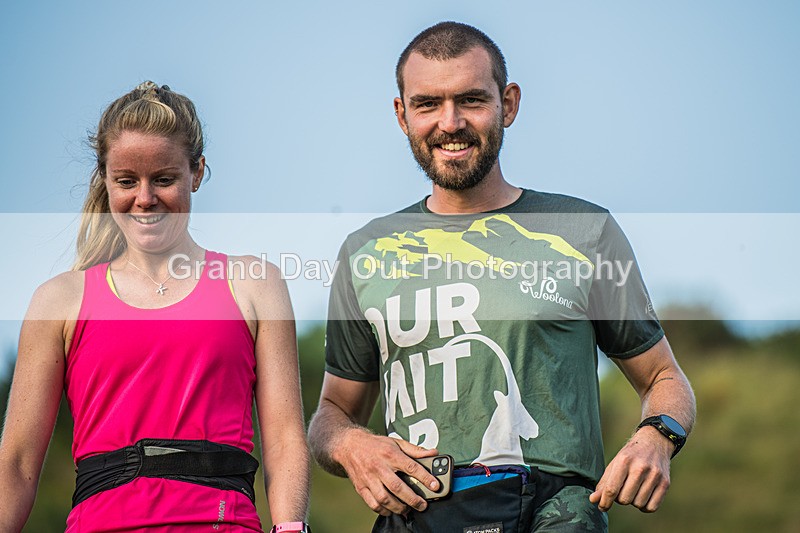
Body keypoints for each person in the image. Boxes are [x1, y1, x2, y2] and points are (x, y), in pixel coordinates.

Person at [308, 22, 696, 532]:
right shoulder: (366, 252)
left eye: (471, 100)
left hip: (554, 514)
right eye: (427, 104)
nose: (450, 123)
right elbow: (332, 412)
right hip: (417, 515)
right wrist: (350, 443)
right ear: (402, 115)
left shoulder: (582, 232)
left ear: (508, 104)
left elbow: (665, 378)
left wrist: (655, 437)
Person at [0, 82, 311, 532]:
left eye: (164, 179)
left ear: (197, 173)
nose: (144, 198)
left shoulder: (254, 285)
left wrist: (290, 528)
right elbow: (17, 463)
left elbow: (283, 440)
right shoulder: (59, 300)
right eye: (126, 181)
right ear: (105, 179)